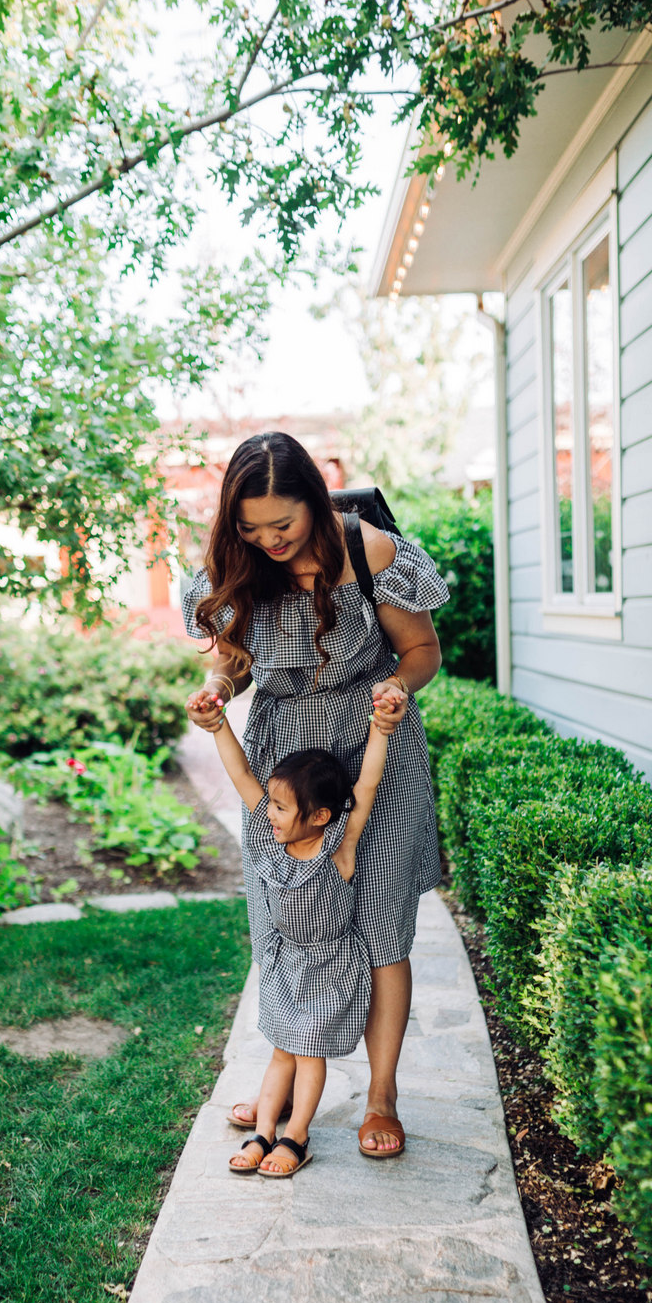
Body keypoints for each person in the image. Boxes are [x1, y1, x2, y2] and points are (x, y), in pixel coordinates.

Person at [182, 432, 449, 1159]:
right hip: (281, 763)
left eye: (282, 526)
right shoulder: (230, 567)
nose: (266, 541)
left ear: (315, 505)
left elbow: (420, 652)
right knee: (288, 920)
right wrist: (217, 690)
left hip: (374, 744)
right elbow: (236, 664)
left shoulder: (373, 556)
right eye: (248, 527)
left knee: (377, 929)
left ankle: (381, 1095)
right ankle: (286, 1083)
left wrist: (397, 685)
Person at [185, 684, 406, 1176]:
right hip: (287, 963)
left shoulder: (338, 849)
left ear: (320, 817)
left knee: (308, 1053)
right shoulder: (271, 833)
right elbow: (242, 774)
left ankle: (296, 1137)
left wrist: (382, 729)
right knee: (281, 1049)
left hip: (328, 967)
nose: (270, 813)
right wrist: (219, 726)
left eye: (283, 807)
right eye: (273, 804)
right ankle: (265, 1133)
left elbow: (366, 786)